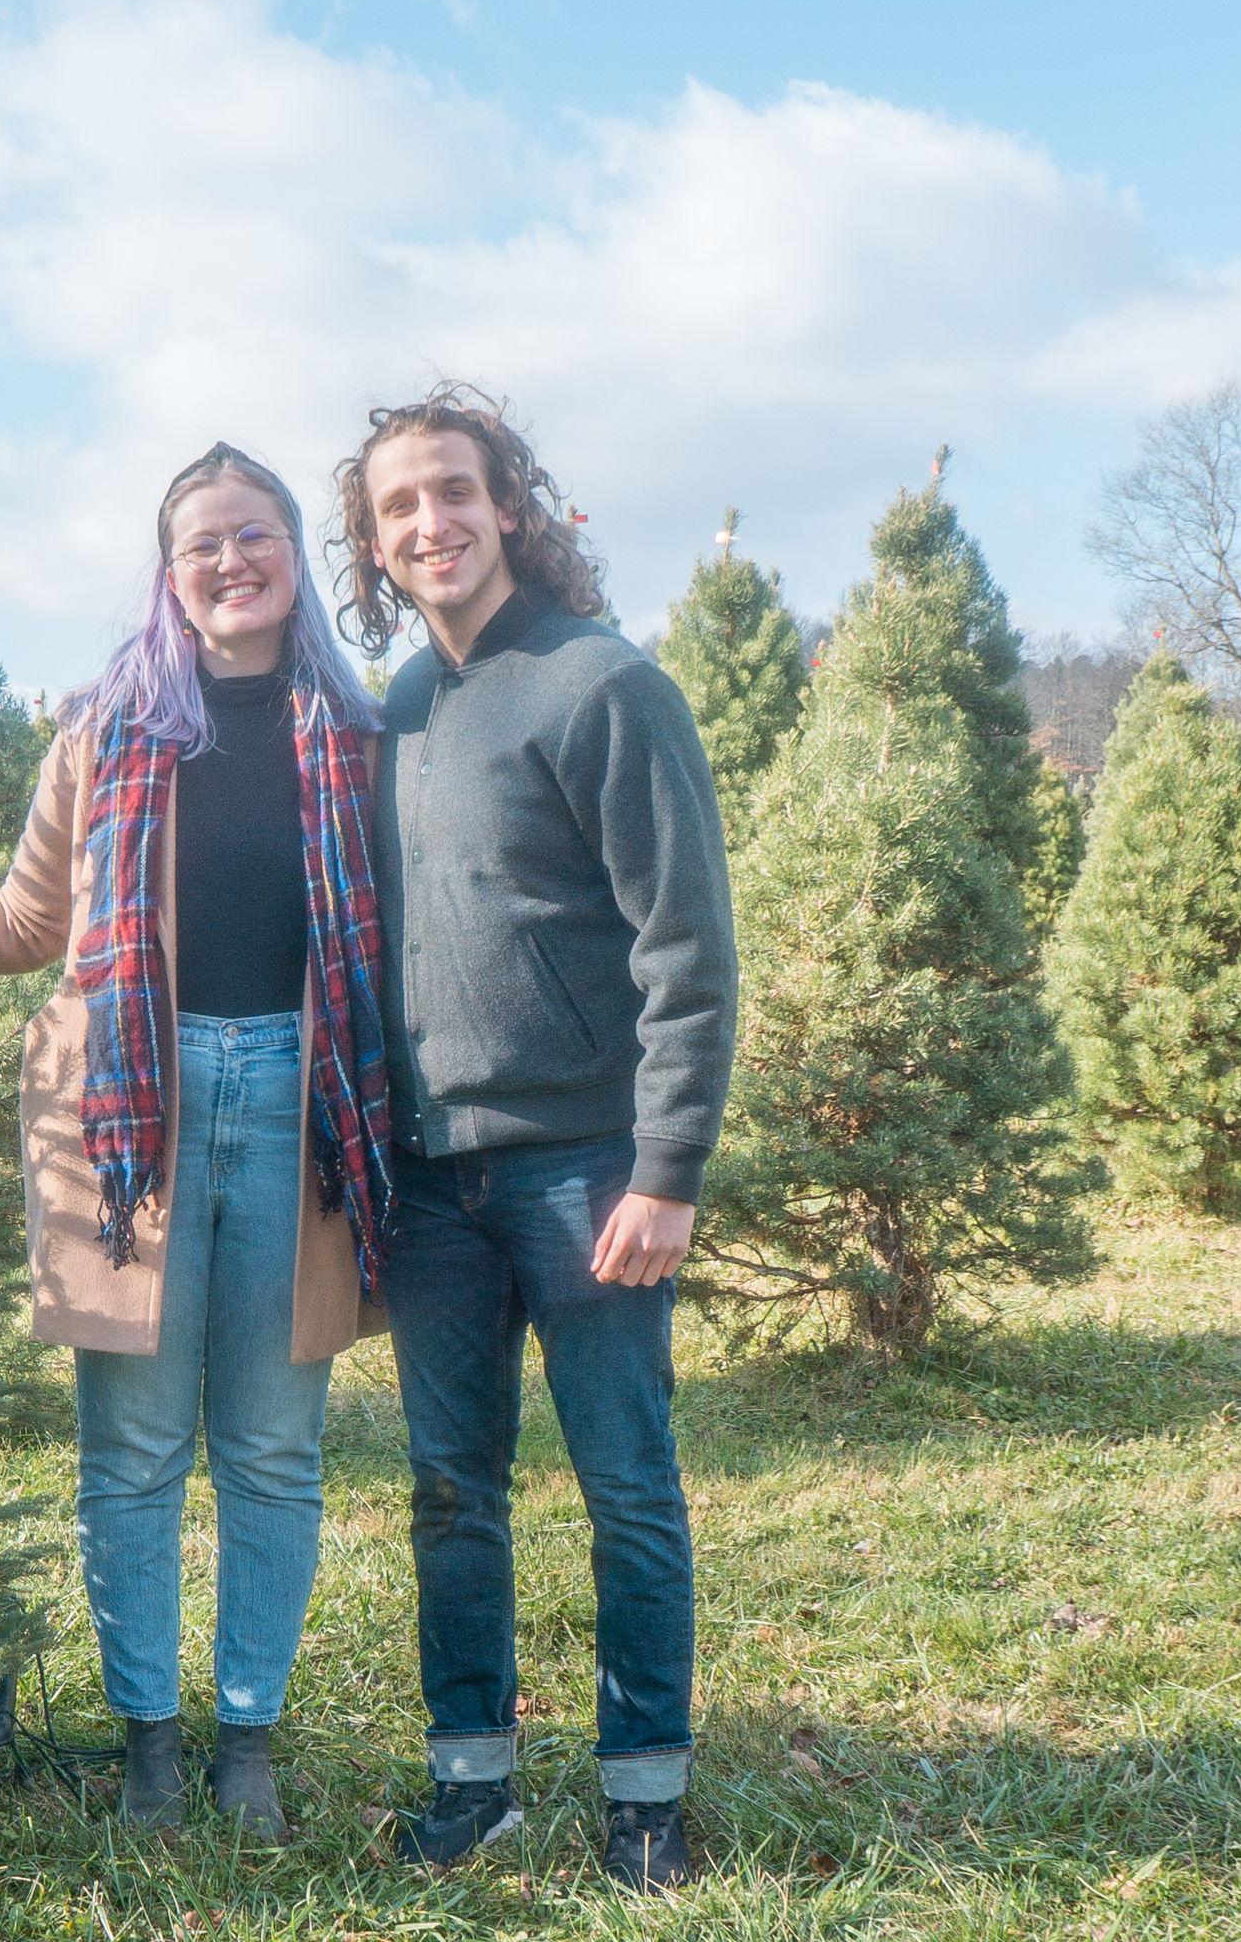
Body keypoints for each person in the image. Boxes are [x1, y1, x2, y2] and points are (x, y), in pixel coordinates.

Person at [0, 444, 391, 1840]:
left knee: (273, 1449)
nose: (229, 561)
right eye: (201, 543)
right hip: (130, 1129)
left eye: (254, 534)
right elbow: (23, 921)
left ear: (296, 553)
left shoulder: (359, 736)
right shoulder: (106, 731)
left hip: (300, 1111)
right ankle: (149, 1745)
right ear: (169, 574)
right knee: (136, 1449)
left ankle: (248, 1741)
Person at [332, 385, 736, 1893]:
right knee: (451, 1487)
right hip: (434, 1180)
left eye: (454, 491)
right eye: (397, 506)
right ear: (374, 544)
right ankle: (472, 1778)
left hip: (587, 1170)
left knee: (626, 1481)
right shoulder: (397, 708)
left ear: (509, 506)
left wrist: (666, 1171)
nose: (429, 522)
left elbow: (687, 950)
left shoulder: (601, 686)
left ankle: (646, 1797)